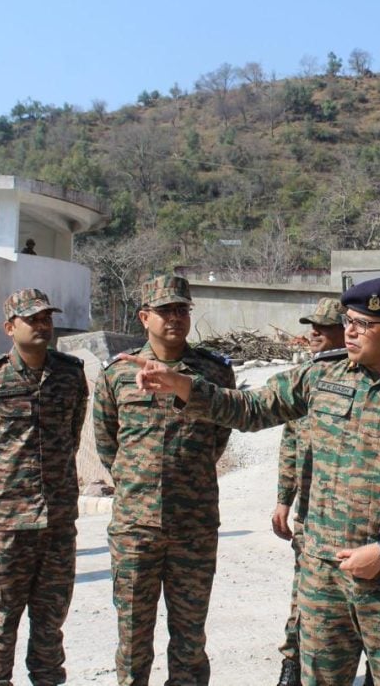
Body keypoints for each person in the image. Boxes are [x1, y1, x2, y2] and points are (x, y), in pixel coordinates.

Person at [123, 277, 380, 686]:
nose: (351, 331)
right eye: (348, 321)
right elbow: (251, 409)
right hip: (322, 574)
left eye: (363, 324)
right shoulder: (320, 375)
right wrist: (184, 386)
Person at [93, 275, 235, 686]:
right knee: (133, 636)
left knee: (190, 637)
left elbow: (219, 435)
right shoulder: (118, 374)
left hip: (193, 525)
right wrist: (136, 481)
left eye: (182, 309)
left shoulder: (213, 372)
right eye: (165, 310)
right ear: (144, 317)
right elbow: (107, 441)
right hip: (136, 527)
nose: (175, 317)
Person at [0, 288, 87, 686]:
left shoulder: (70, 373)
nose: (43, 325)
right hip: (5, 523)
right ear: (9, 327)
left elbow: (73, 429)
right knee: (1, 614)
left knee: (51, 618)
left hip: (57, 519)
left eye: (47, 318)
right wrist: (3, 479)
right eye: (33, 319)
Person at [271, 297, 349, 686]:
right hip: (312, 511)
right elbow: (290, 443)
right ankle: (292, 663)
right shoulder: (304, 378)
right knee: (305, 592)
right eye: (311, 325)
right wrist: (284, 499)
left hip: (355, 515)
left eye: (323, 325)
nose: (314, 332)